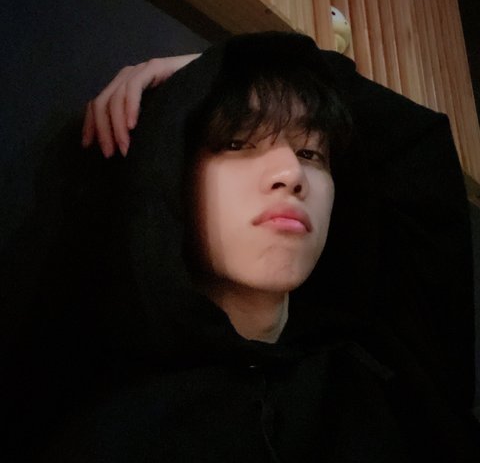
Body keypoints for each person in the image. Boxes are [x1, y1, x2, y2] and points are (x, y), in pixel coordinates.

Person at [42, 32, 479, 461]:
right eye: (238, 143)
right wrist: (205, 79)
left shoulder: (388, 374)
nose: (291, 173)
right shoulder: (111, 432)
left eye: (310, 154)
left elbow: (418, 142)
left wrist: (225, 64)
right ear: (171, 178)